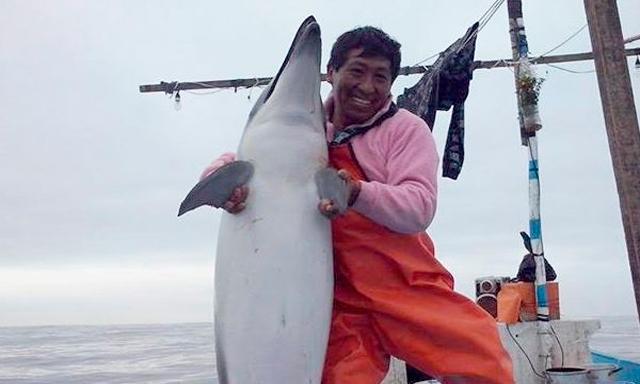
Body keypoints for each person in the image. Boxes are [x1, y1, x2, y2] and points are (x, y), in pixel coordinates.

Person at [202, 26, 514, 384]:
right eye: (357, 71)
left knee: (480, 354)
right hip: (338, 298)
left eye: (380, 76)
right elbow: (247, 160)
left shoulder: (405, 130)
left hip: (406, 286)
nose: (368, 86)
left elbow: (420, 206)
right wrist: (220, 177)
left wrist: (356, 193)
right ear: (331, 73)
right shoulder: (313, 131)